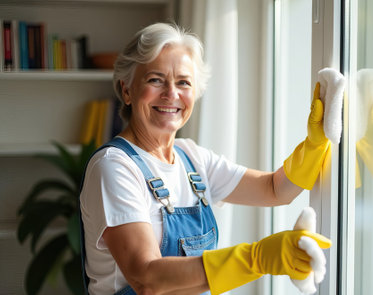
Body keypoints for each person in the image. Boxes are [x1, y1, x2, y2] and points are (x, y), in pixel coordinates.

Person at [80, 22, 332, 295]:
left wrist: (316, 145)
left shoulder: (192, 158)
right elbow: (146, 279)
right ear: (127, 90)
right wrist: (255, 259)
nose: (171, 94)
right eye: (155, 79)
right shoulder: (114, 167)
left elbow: (273, 189)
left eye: (183, 82)